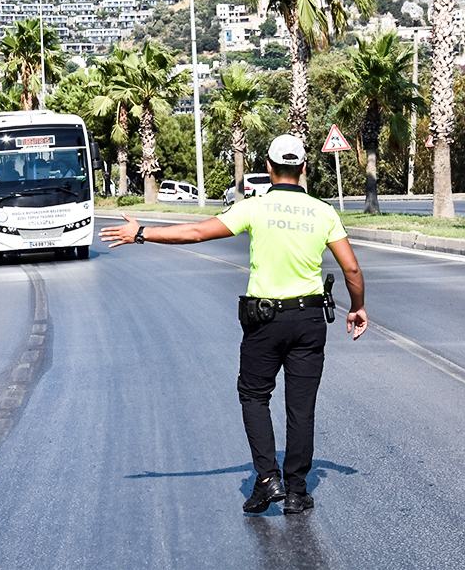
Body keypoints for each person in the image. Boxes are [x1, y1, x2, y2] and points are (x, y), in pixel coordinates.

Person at [99, 134, 367, 515]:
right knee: (301, 406)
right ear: (304, 168)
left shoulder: (255, 208)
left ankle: (266, 478)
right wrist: (357, 307)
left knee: (255, 396)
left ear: (270, 169)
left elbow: (195, 232)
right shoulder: (323, 212)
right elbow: (351, 267)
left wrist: (141, 233)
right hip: (309, 320)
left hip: (265, 321)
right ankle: (295, 490)